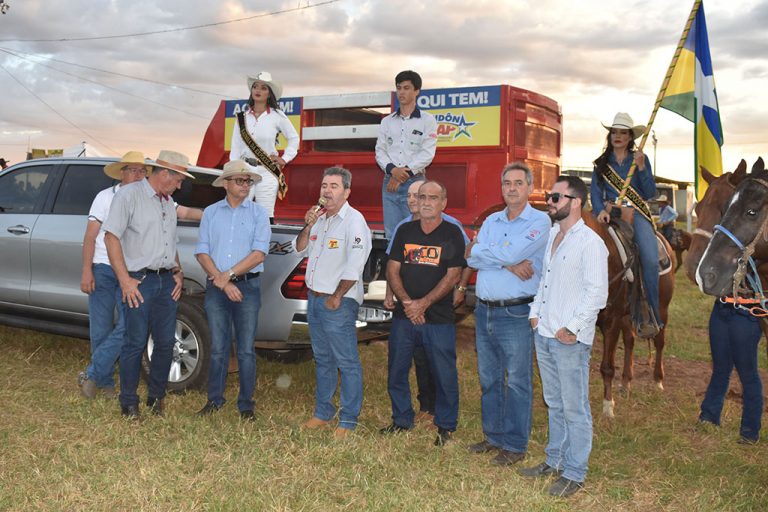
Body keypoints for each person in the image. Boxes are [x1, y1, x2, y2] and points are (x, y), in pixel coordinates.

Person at [522, 176, 608, 498]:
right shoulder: (553, 235)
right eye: (549, 195)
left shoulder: (590, 243)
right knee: (554, 403)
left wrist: (573, 327)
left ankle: (575, 472)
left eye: (556, 197)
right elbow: (544, 282)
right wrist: (535, 313)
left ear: (576, 202)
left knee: (575, 408)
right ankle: (554, 460)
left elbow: (597, 294)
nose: (549, 201)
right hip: (544, 332)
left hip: (569, 339)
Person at [465, 162, 550, 465]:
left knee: (516, 381)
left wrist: (492, 254)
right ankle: (494, 436)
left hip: (516, 312)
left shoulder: (540, 221)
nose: (511, 189)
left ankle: (514, 445)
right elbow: (470, 257)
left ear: (529, 187)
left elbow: (488, 252)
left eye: (518, 183)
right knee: (489, 378)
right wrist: (507, 263)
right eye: (507, 183)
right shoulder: (492, 220)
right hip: (484, 310)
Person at [103, 150, 194, 418]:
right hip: (139, 281)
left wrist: (178, 270)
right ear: (165, 174)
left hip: (165, 281)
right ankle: (128, 402)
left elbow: (169, 242)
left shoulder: (168, 202)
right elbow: (111, 237)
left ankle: (156, 398)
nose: (179, 186)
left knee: (165, 343)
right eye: (178, 180)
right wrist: (125, 280)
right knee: (135, 342)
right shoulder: (128, 196)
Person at [383, 180, 465, 446]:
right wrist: (408, 303)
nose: (426, 202)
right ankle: (401, 419)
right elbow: (392, 269)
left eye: (433, 198)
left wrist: (424, 304)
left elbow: (453, 275)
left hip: (438, 319)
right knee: (396, 370)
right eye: (422, 197)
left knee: (444, 374)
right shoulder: (405, 230)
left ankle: (445, 426)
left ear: (443, 203)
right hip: (404, 317)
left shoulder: (451, 232)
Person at [293, 167, 371, 438]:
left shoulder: (354, 221)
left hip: (338, 302)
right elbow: (299, 249)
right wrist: (308, 225)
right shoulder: (319, 219)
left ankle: (348, 420)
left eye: (334, 186)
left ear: (347, 192)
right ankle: (323, 413)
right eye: (324, 185)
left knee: (346, 362)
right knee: (323, 359)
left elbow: (355, 264)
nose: (327, 190)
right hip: (314, 299)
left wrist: (337, 296)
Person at [195, 160, 271, 421]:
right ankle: (214, 400)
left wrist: (227, 276)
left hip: (247, 286)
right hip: (218, 288)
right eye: (240, 180)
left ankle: (246, 404)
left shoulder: (259, 214)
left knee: (246, 349)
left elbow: (259, 254)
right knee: (218, 347)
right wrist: (224, 282)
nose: (245, 185)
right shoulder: (211, 213)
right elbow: (202, 251)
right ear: (226, 184)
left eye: (248, 181)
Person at [78, 151, 153, 399]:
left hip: (131, 271)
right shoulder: (104, 197)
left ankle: (92, 373)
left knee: (128, 325)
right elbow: (90, 236)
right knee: (100, 328)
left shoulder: (148, 199)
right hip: (102, 267)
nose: (138, 175)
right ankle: (106, 382)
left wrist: (210, 212)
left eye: (142, 171)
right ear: (122, 173)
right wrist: (87, 270)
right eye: (133, 170)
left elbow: (180, 211)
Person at [590, 112, 660, 326]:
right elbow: (595, 193)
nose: (618, 136)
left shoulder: (640, 159)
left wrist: (641, 168)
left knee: (650, 260)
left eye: (623, 133)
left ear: (630, 137)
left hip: (635, 213)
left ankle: (651, 315)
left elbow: (650, 193)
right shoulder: (601, 163)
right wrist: (600, 210)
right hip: (608, 213)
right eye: (614, 132)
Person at [375, 70, 438, 238]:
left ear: (417, 91)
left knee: (418, 232)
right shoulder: (387, 121)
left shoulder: (427, 120)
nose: (401, 92)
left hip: (415, 181)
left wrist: (402, 174)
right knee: (392, 235)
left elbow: (427, 153)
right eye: (399, 88)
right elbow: (380, 151)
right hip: (390, 182)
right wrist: (393, 171)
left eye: (407, 88)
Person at [230, 71, 300, 221]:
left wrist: (285, 158)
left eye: (263, 88)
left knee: (265, 214)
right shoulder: (241, 117)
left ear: (269, 94)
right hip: (244, 169)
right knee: (239, 211)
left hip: (267, 171)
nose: (258, 90)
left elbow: (294, 138)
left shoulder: (277, 116)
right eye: (255, 86)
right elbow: (235, 147)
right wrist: (233, 171)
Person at [698, 300, 763, 444]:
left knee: (748, 374)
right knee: (720, 368)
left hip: (747, 312)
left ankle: (750, 432)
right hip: (721, 308)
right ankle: (709, 416)